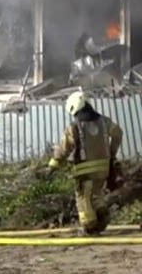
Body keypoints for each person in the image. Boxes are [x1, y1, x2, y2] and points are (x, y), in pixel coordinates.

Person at [48, 90, 123, 235]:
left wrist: (53, 165)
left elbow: (64, 149)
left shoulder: (74, 128)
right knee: (96, 194)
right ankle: (102, 216)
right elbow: (118, 133)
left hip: (84, 171)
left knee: (83, 199)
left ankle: (90, 227)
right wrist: (111, 153)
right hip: (103, 169)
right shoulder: (104, 122)